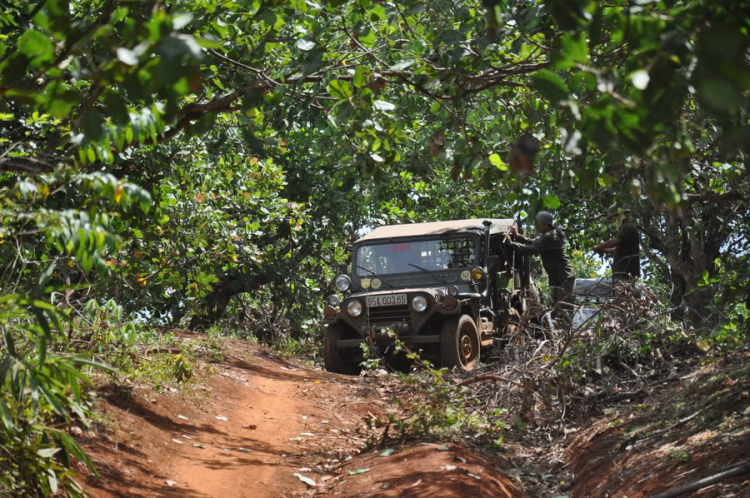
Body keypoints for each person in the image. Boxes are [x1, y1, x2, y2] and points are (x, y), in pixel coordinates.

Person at [505, 211, 576, 320]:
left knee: (563, 311)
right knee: (558, 310)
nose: (536, 226)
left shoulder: (550, 236)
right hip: (561, 277)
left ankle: (567, 334)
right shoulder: (550, 234)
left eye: (538, 223)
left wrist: (511, 244)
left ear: (544, 224)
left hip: (564, 277)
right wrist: (517, 236)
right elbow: (534, 242)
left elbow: (530, 249)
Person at [593, 204, 641, 281]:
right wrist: (604, 250)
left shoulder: (626, 227)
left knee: (622, 291)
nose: (613, 220)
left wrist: (599, 247)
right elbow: (619, 249)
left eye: (614, 218)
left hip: (625, 272)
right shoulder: (631, 227)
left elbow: (614, 242)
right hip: (628, 273)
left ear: (620, 216)